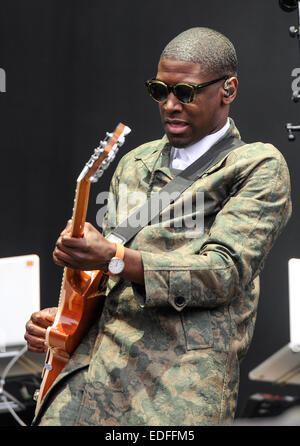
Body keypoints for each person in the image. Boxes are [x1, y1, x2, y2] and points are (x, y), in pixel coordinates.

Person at [25, 27, 292, 426]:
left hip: (175, 393)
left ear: (228, 89)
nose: (170, 105)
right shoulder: (135, 162)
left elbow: (223, 273)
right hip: (90, 380)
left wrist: (114, 258)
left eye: (185, 92)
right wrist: (64, 318)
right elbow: (108, 279)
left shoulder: (257, 166)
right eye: (159, 91)